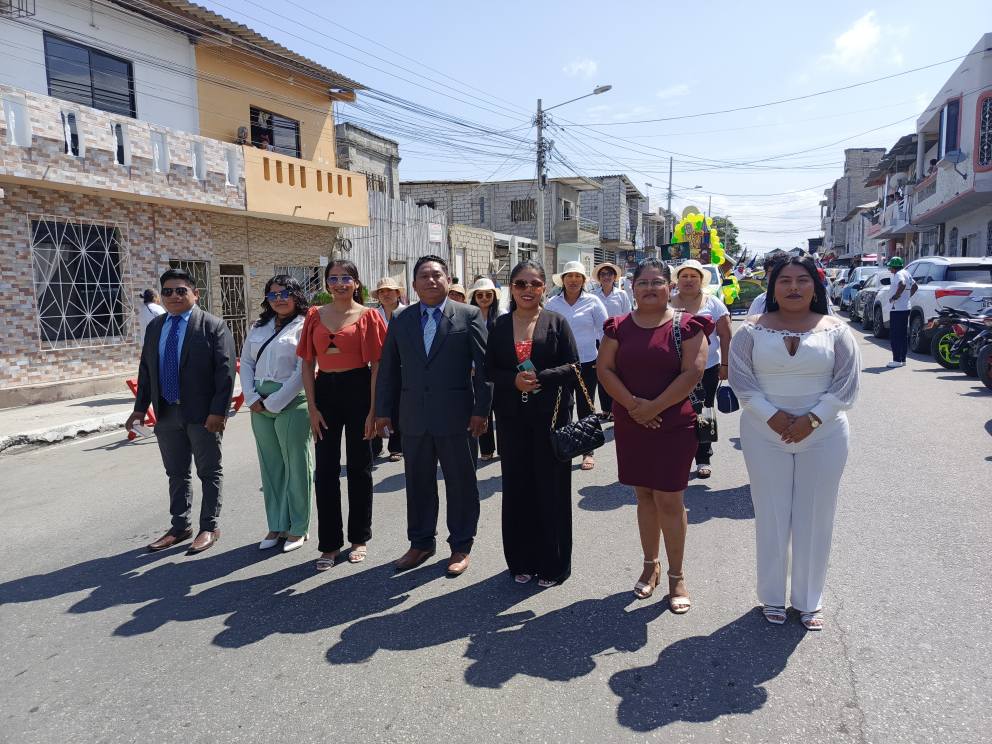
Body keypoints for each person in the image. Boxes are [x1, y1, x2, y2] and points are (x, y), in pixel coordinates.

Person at [728, 256, 861, 631]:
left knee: (815, 516)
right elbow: (741, 380)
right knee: (771, 514)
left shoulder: (836, 330)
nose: (793, 287)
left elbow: (846, 385)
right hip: (763, 433)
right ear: (773, 287)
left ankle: (808, 599)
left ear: (815, 287)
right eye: (784, 280)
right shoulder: (750, 330)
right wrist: (771, 416)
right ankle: (772, 596)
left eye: (802, 280)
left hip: (825, 434)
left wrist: (812, 419)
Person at [597, 259, 711, 614]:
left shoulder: (688, 326)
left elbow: (693, 372)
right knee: (644, 496)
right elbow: (605, 369)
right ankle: (651, 565)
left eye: (657, 282)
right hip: (632, 423)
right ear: (632, 288)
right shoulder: (618, 327)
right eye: (643, 282)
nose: (650, 288)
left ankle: (677, 575)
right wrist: (635, 406)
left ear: (669, 287)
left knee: (670, 501)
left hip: (673, 425)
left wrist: (654, 407)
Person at [375, 255, 492, 576]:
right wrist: (382, 411)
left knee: (461, 483)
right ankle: (421, 542)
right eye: (424, 276)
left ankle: (461, 545)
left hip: (458, 416)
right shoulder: (401, 319)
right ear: (413, 285)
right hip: (414, 417)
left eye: (437, 275)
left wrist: (482, 411)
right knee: (418, 483)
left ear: (448, 280)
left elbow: (485, 369)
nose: (430, 280)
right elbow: (388, 368)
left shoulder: (468, 315)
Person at [125, 269, 236, 555]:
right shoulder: (156, 327)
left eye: (181, 291)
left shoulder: (212, 325)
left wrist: (219, 412)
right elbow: (147, 370)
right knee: (176, 473)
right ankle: (179, 526)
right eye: (168, 292)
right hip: (166, 413)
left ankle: (209, 526)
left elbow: (225, 373)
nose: (174, 296)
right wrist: (140, 409)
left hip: (203, 415)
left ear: (195, 294)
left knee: (209, 471)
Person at [486, 261, 579, 586]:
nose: (528, 290)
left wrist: (541, 378)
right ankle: (521, 560)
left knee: (551, 489)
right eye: (521, 284)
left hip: (551, 419)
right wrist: (513, 381)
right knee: (517, 488)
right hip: (511, 421)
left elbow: (574, 367)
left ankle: (553, 564)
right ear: (511, 288)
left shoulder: (556, 322)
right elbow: (488, 369)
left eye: (535, 284)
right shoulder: (500, 325)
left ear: (544, 288)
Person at [298, 261, 387, 571]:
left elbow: (377, 366)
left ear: (356, 283)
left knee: (360, 467)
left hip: (359, 389)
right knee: (325, 470)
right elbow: (307, 363)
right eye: (333, 278)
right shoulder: (314, 316)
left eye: (346, 278)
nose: (339, 283)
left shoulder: (369, 316)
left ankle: (359, 538)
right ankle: (330, 544)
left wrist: (374, 410)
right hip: (325, 391)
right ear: (326, 284)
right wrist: (312, 408)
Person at [240, 275, 312, 553]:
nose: (279, 299)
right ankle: (277, 524)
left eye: (285, 293)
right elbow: (247, 362)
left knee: (297, 465)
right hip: (259, 402)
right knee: (271, 467)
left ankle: (298, 526)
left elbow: (305, 367)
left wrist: (276, 401)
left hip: (291, 400)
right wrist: (251, 397)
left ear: (296, 295)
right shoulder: (259, 326)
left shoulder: (306, 324)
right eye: (273, 294)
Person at [670, 259, 733, 479]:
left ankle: (703, 457)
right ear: (678, 280)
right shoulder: (667, 302)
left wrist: (725, 364)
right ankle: (678, 457)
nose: (689, 280)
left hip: (708, 368)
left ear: (701, 280)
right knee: (675, 413)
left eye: (693, 276)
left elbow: (725, 335)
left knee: (704, 412)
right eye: (684, 276)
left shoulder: (713, 303)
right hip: (674, 369)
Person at [546, 260, 608, 471]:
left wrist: (605, 358)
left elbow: (605, 331)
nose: (573, 280)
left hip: (588, 364)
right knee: (563, 407)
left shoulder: (593, 301)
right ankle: (565, 448)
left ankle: (587, 451)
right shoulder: (552, 303)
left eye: (577, 276)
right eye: (569, 276)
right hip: (561, 366)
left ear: (583, 280)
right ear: (563, 280)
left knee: (585, 407)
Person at [591, 262, 633, 422]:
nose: (606, 277)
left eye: (609, 274)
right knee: (602, 374)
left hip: (618, 340)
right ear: (599, 278)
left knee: (618, 375)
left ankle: (617, 409)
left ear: (615, 277)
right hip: (598, 340)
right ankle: (606, 409)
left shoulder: (621, 295)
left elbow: (628, 316)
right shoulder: (593, 295)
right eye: (603, 274)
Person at [371, 277, 406, 461]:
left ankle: (396, 446)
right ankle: (375, 445)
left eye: (389, 291)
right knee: (376, 403)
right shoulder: (371, 315)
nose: (385, 294)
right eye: (381, 291)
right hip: (376, 364)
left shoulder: (407, 313)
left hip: (400, 365)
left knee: (398, 405)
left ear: (397, 293)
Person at [469, 277, 503, 460]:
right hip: (476, 371)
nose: (484, 298)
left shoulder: (502, 315)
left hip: (499, 370)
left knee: (502, 410)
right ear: (474, 297)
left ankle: (504, 448)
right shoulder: (467, 316)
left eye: (488, 295)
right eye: (479, 295)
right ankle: (486, 449)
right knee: (483, 409)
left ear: (494, 297)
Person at [885, 257, 917, 368]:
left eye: (890, 267)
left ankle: (897, 360)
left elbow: (902, 284)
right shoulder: (907, 273)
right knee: (903, 335)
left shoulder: (898, 274)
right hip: (905, 308)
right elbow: (915, 286)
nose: (889, 269)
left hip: (897, 309)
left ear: (894, 266)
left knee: (895, 335)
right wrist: (907, 297)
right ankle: (902, 359)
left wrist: (895, 297)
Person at [747, 251, 789, 316]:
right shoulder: (759, 301)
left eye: (782, 272)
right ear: (766, 275)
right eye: (773, 272)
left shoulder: (798, 299)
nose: (778, 276)